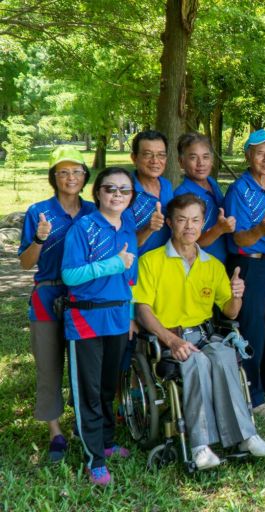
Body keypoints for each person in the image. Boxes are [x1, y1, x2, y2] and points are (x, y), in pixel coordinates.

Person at [134, 193, 265, 471]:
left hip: (205, 335)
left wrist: (237, 295)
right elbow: (142, 310)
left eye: (196, 220)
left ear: (203, 223)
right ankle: (199, 445)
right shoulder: (151, 261)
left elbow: (231, 312)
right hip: (168, 338)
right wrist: (171, 340)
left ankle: (245, 436)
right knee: (195, 360)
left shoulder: (211, 264)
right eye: (182, 220)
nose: (189, 226)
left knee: (223, 356)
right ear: (171, 223)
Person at [61, 167, 138, 486]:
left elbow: (129, 278)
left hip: (118, 318)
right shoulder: (83, 228)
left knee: (108, 388)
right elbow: (70, 275)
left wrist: (130, 312)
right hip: (86, 320)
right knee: (89, 392)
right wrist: (112, 264)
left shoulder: (129, 226)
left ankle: (106, 441)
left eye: (124, 190)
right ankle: (95, 459)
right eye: (110, 189)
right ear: (98, 193)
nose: (117, 195)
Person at [19, 146, 96, 463]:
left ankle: (84, 425)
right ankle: (55, 433)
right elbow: (25, 264)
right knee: (49, 367)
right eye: (63, 172)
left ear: (84, 176)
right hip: (48, 299)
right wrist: (38, 239)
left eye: (76, 171)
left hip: (85, 300)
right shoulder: (39, 211)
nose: (71, 177)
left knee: (85, 368)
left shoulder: (95, 211)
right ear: (54, 177)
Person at [224, 129, 265, 418]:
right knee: (253, 331)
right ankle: (253, 395)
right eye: (260, 152)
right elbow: (238, 239)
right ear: (248, 156)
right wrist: (260, 231)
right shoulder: (239, 190)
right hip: (250, 264)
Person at [174, 132, 235, 264]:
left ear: (212, 160)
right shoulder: (183, 195)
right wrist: (218, 229)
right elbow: (187, 243)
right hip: (199, 266)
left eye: (205, 157)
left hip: (222, 263)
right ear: (181, 162)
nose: (201, 163)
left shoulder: (212, 183)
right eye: (193, 157)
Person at [131, 130, 172, 256]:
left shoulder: (167, 185)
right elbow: (120, 242)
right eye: (147, 154)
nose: (155, 161)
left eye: (161, 155)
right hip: (136, 268)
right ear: (134, 158)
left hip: (165, 265)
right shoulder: (124, 191)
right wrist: (149, 228)